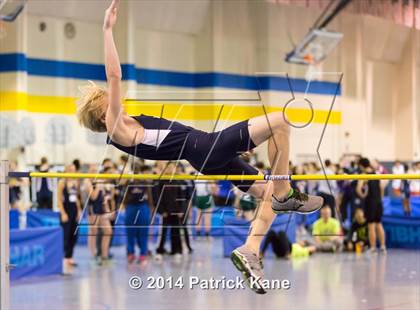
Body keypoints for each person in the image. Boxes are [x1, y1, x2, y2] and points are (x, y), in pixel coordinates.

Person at [76, 0, 323, 294]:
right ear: (104, 116)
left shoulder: (126, 123)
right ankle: (285, 193)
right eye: (110, 102)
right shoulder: (118, 129)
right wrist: (107, 30)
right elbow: (114, 76)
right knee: (280, 121)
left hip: (205, 153)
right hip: (205, 147)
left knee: (265, 193)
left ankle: (250, 248)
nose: (117, 100)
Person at [124, 164, 153, 264]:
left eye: (137, 170)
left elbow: (149, 196)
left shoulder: (144, 181)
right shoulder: (128, 181)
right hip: (131, 207)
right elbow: (124, 195)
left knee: (143, 231)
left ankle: (143, 253)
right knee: (130, 232)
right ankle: (130, 253)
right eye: (134, 170)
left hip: (142, 207)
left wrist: (151, 209)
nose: (136, 171)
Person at [356, 158, 386, 253]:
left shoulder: (364, 175)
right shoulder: (376, 174)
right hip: (378, 202)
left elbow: (358, 189)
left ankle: (373, 248)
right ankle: (383, 246)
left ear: (361, 165)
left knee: (371, 226)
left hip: (370, 202)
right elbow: (381, 187)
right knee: (379, 224)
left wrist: (363, 195)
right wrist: (380, 198)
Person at [57, 164, 82, 274]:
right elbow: (58, 199)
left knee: (74, 235)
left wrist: (79, 210)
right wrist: (63, 213)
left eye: (73, 170)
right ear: (66, 170)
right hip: (65, 210)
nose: (72, 171)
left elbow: (76, 198)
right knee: (65, 236)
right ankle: (63, 258)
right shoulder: (62, 182)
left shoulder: (76, 182)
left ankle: (70, 257)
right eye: (70, 170)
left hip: (74, 211)